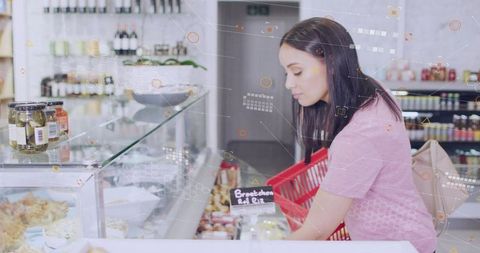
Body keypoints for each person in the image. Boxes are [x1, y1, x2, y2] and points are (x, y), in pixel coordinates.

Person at [278, 17, 437, 253]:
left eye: (297, 72)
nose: (288, 84)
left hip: (397, 246)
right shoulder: (372, 90)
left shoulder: (359, 136)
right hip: (409, 233)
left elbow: (317, 231)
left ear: (331, 64)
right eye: (286, 73)